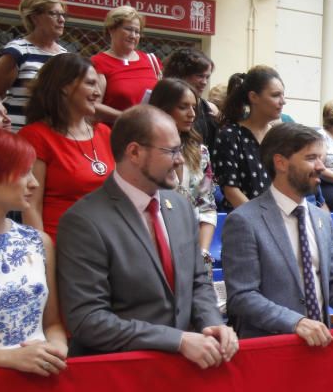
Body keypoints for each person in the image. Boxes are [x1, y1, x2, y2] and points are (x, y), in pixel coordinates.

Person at [56, 105, 238, 366]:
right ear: (134, 152)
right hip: (120, 376)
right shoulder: (83, 221)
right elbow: (88, 319)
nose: (180, 160)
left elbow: (197, 280)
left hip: (183, 370)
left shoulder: (181, 206)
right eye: (171, 151)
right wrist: (177, 340)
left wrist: (211, 323)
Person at [222, 123, 333, 343]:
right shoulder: (244, 221)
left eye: (321, 158)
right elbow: (242, 296)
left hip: (320, 347)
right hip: (271, 350)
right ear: (281, 162)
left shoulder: (322, 218)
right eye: (311, 158)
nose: (321, 167)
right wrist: (295, 322)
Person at [0, 130, 68, 376]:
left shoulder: (37, 242)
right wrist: (9, 357)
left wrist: (57, 349)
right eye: (24, 171)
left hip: (37, 382)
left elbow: (53, 323)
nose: (34, 182)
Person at [18, 53, 113, 240]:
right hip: (62, 245)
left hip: (104, 244)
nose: (98, 92)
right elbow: (31, 207)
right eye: (90, 83)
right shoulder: (35, 136)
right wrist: (42, 257)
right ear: (64, 87)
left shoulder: (104, 133)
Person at [148, 78, 217, 260]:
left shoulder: (201, 152)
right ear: (163, 108)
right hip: (155, 246)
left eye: (194, 107)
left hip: (193, 247)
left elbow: (207, 206)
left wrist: (202, 252)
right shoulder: (145, 153)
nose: (192, 114)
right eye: (183, 107)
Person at [212, 66, 284, 210]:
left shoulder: (279, 136)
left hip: (278, 218)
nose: (283, 101)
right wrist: (260, 220)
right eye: (275, 95)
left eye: (283, 95)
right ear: (253, 97)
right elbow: (231, 191)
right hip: (245, 222)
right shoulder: (230, 135)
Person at [0, 0, 69, 131]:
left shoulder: (65, 56)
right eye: (54, 14)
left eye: (63, 14)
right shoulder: (17, 52)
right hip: (19, 136)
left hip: (53, 136)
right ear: (35, 17)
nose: (62, 20)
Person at [91, 6, 162, 124]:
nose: (133, 35)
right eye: (128, 29)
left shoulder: (151, 61)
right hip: (115, 135)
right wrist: (128, 117)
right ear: (111, 30)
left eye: (137, 32)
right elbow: (93, 105)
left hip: (148, 135)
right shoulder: (98, 62)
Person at [162, 48, 219, 148]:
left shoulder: (210, 110)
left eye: (207, 77)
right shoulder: (160, 107)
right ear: (182, 75)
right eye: (200, 76)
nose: (204, 82)